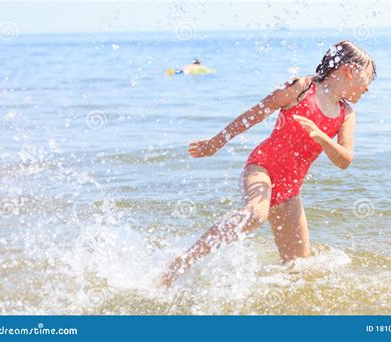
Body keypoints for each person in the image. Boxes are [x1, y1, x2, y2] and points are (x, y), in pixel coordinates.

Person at [158, 40, 377, 288]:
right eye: (368, 78)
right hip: (262, 167)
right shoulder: (303, 89)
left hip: (290, 190)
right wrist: (215, 143)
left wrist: (321, 136)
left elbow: (345, 160)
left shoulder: (345, 114)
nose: (368, 88)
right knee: (254, 214)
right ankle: (181, 263)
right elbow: (256, 112)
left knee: (298, 269)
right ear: (348, 70)